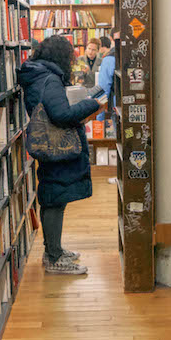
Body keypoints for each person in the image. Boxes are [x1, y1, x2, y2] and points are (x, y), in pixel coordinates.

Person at [18, 35, 106, 275]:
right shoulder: (49, 78)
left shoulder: (38, 74)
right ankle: (54, 258)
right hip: (56, 147)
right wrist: (91, 103)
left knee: (54, 198)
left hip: (51, 147)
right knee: (55, 199)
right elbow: (61, 114)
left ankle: (54, 250)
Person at [96, 33, 117, 121]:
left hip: (117, 107)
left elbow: (104, 89)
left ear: (112, 39)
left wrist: (99, 117)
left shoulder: (109, 59)